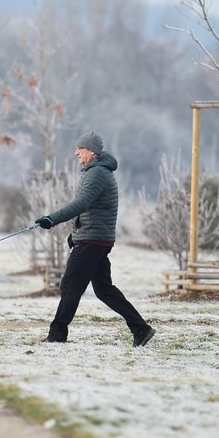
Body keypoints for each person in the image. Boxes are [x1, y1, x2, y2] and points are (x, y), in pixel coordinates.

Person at [34, 131, 156, 347]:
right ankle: (141, 329)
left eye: (79, 149)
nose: (76, 152)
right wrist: (76, 233)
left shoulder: (97, 173)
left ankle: (57, 335)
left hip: (93, 241)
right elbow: (90, 208)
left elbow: (81, 204)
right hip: (94, 238)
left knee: (70, 285)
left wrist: (50, 219)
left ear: (91, 151)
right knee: (104, 289)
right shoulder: (95, 172)